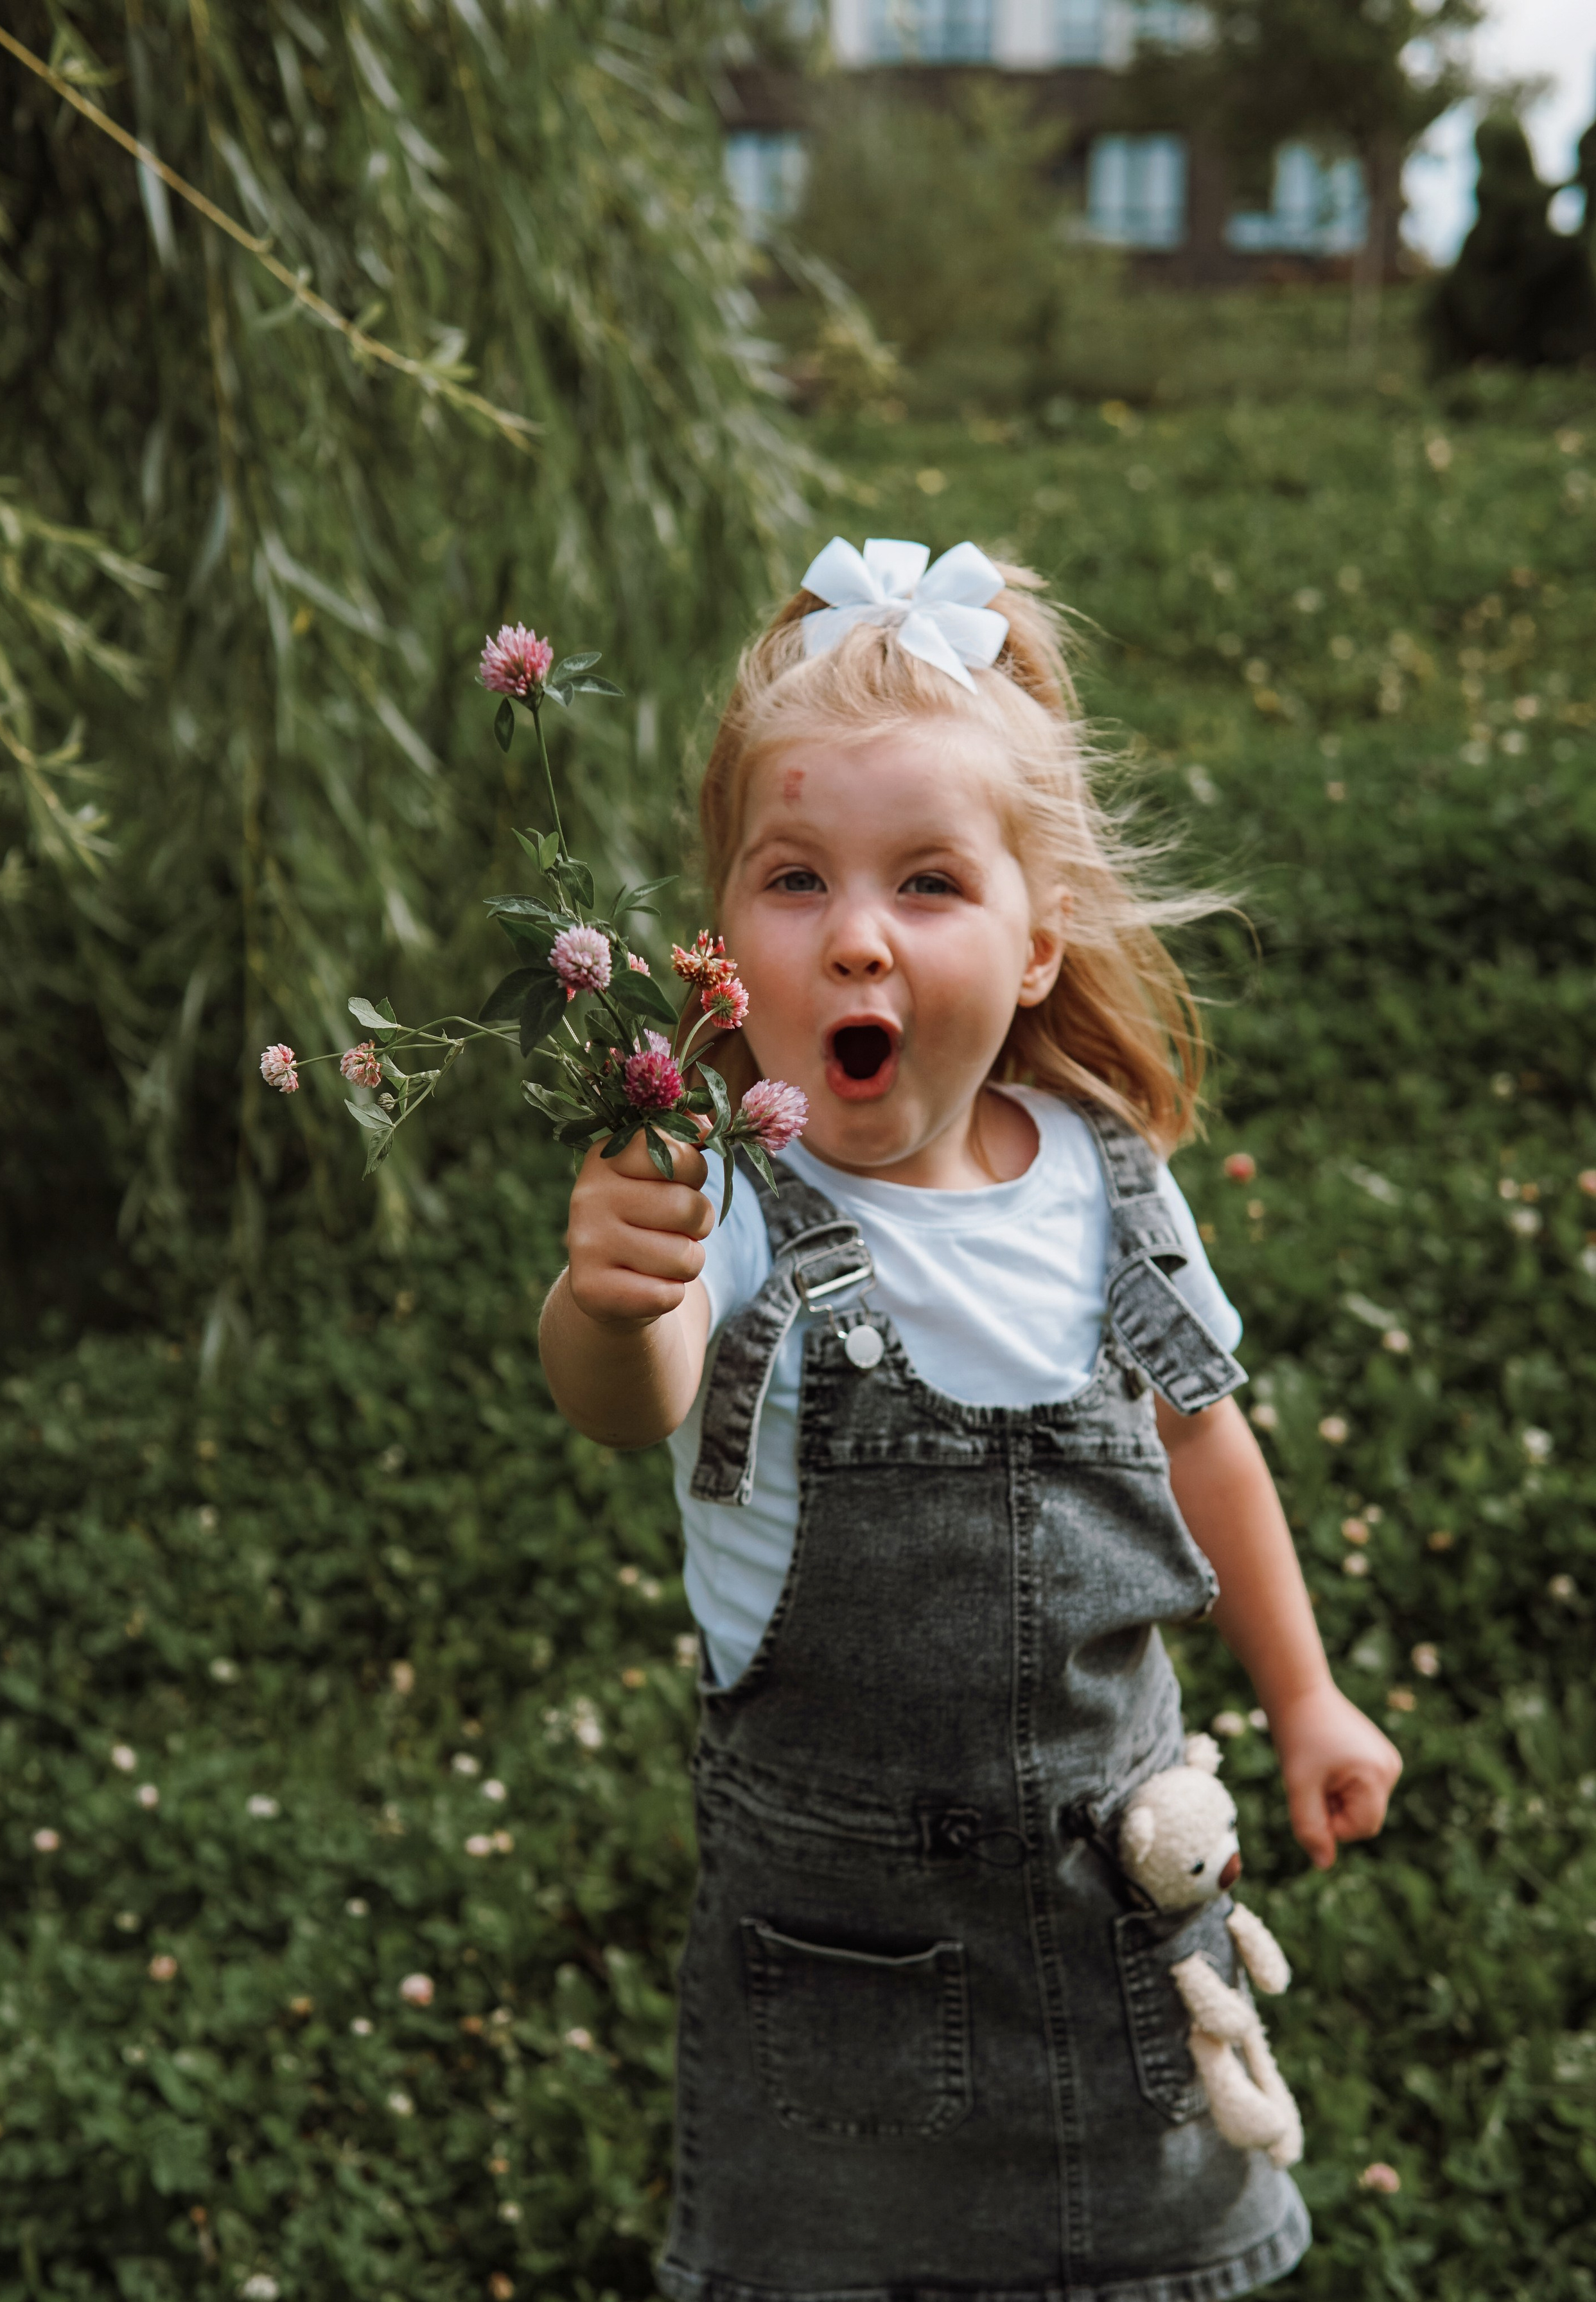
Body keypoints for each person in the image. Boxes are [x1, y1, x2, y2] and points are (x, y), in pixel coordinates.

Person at [539, 536, 1401, 2302]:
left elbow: (1202, 1442)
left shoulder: (1111, 1181)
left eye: (928, 884)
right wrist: (607, 1297)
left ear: (1031, 947)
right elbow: (634, 1402)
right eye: (796, 882)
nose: (856, 935)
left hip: (1111, 1931)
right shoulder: (717, 1192)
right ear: (722, 957)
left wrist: (1304, 1693)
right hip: (835, 1981)